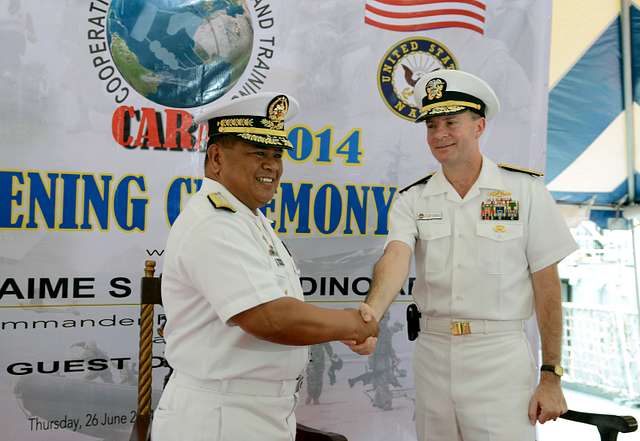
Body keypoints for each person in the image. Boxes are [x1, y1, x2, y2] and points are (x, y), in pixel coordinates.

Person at [346, 70, 578, 441]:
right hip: (433, 354)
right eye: (432, 125)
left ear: (479, 126)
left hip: (499, 357)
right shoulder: (414, 198)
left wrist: (551, 373)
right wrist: (370, 314)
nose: (439, 134)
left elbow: (546, 284)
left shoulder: (524, 192)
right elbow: (395, 257)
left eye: (451, 122)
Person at [152, 92, 378, 441]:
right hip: (219, 418)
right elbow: (269, 317)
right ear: (215, 159)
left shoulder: (251, 221)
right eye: (258, 153)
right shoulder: (214, 223)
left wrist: (343, 328)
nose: (272, 165)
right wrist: (350, 324)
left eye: (276, 155)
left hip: (259, 412)